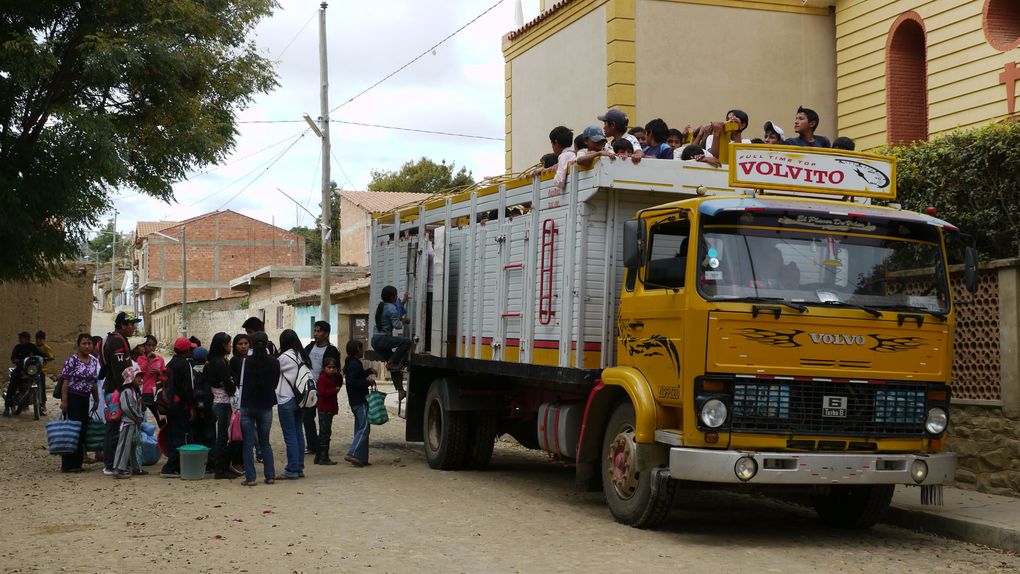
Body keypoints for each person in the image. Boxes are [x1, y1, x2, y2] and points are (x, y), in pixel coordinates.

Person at [101, 311, 139, 475]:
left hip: (116, 389)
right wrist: (126, 389)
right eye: (131, 324)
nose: (133, 327)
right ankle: (111, 464)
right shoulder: (117, 341)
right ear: (123, 325)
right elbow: (119, 370)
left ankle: (116, 463)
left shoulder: (118, 339)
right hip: (117, 391)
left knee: (116, 427)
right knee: (115, 428)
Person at [239, 332, 279, 486]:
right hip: (266, 405)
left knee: (248, 444)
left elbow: (240, 383)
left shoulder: (246, 362)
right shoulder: (274, 362)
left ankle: (250, 478)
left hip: (247, 405)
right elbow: (275, 383)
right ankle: (270, 476)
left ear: (252, 345)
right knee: (265, 443)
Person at [59, 334, 99, 473]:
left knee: (82, 430)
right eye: (84, 343)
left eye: (89, 343)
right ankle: (67, 464)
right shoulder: (72, 360)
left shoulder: (94, 361)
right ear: (78, 345)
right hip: (73, 397)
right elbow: (65, 381)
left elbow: (93, 382)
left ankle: (77, 463)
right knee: (72, 430)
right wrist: (64, 401)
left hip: (85, 398)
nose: (87, 346)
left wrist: (97, 399)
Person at [159, 337, 197, 478]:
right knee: (180, 436)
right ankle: (171, 467)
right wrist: (192, 407)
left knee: (174, 434)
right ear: (186, 350)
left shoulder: (171, 363)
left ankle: (174, 465)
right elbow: (188, 389)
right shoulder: (185, 365)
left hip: (170, 405)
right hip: (181, 407)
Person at [303, 321, 340, 457]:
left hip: (324, 389)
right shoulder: (309, 347)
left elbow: (336, 370)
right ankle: (312, 445)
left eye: (319, 331)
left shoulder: (332, 350)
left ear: (326, 333)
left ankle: (322, 447)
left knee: (324, 420)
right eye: (315, 331)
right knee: (307, 417)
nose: (316, 334)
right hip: (308, 388)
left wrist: (336, 387)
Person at [277, 329, 309, 480]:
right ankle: (299, 466)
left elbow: (274, 372)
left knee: (290, 435)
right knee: (298, 433)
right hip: (301, 399)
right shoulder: (303, 355)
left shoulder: (284, 357)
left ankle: (292, 469)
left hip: (286, 398)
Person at [205, 332, 238, 479]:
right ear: (222, 346)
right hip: (222, 403)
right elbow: (229, 386)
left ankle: (224, 466)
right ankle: (220, 469)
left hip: (220, 402)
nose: (231, 346)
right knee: (223, 437)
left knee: (224, 436)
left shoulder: (216, 361)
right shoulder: (219, 362)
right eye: (228, 343)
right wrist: (232, 384)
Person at [371, 285, 412, 401]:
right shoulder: (391, 308)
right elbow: (397, 325)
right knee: (406, 342)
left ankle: (400, 390)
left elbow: (395, 312)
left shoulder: (383, 306)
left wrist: (403, 302)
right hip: (383, 339)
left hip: (376, 340)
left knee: (395, 367)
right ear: (393, 296)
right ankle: (391, 361)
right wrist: (404, 320)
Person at [343, 340, 374, 467]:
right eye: (361, 349)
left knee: (360, 428)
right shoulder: (355, 364)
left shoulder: (352, 363)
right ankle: (353, 453)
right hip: (360, 400)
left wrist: (368, 371)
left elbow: (357, 377)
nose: (363, 351)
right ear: (356, 349)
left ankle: (361, 458)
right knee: (364, 428)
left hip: (354, 401)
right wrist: (368, 382)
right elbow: (353, 382)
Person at [112, 365, 144, 479]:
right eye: (138, 377)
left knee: (134, 446)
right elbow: (127, 407)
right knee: (124, 446)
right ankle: (118, 468)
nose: (140, 379)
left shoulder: (134, 391)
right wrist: (137, 417)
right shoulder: (127, 391)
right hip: (128, 422)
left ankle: (136, 467)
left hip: (133, 422)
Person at [5, 331, 40, 416]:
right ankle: (7, 405)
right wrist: (15, 360)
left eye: (22, 338)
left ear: (27, 339)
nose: (20, 339)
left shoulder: (33, 347)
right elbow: (13, 357)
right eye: (20, 338)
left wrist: (46, 357)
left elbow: (40, 354)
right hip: (20, 369)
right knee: (13, 383)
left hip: (30, 370)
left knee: (40, 379)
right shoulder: (17, 347)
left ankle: (41, 406)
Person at [315, 358, 341, 465]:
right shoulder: (322, 379)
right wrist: (333, 391)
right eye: (329, 367)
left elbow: (339, 381)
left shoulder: (333, 377)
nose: (331, 369)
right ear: (324, 368)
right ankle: (323, 457)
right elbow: (321, 393)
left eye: (333, 367)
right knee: (325, 433)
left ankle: (319, 456)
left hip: (329, 408)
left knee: (324, 432)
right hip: (324, 409)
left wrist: (337, 373)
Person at [136, 335, 164, 422]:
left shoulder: (160, 359)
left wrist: (159, 372)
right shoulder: (139, 358)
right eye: (149, 345)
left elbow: (165, 377)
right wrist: (147, 361)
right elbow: (137, 374)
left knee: (161, 418)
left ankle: (163, 434)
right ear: (144, 346)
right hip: (142, 392)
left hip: (156, 393)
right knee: (139, 418)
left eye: (153, 345)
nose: (151, 348)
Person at [544, 125, 575, 191]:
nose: (552, 147)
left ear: (556, 142)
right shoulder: (573, 154)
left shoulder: (563, 156)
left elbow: (560, 182)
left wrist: (555, 172)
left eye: (552, 143)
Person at [34, 331, 53, 416]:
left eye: (41, 339)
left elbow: (51, 356)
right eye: (38, 339)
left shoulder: (46, 348)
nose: (39, 341)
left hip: (41, 370)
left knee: (41, 387)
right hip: (32, 370)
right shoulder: (33, 347)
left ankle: (43, 405)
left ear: (44, 340)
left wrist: (48, 358)